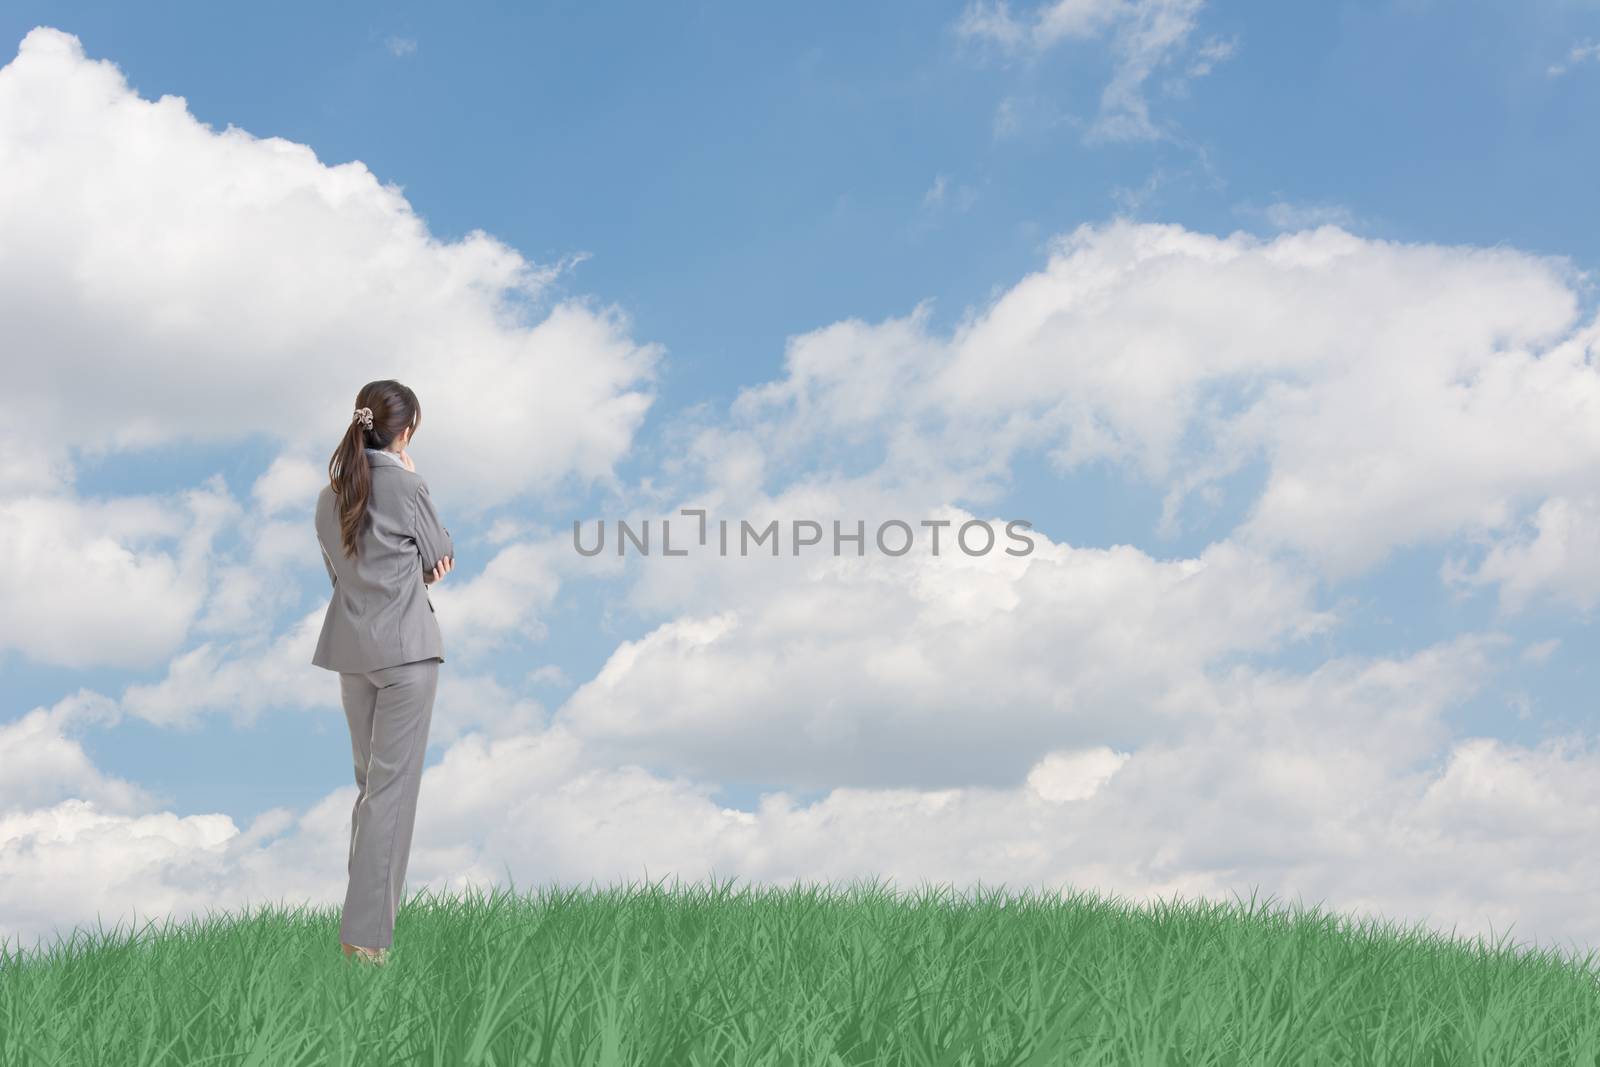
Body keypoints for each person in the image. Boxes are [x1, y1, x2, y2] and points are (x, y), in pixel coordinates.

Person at [311, 379, 455, 966]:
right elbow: (439, 553)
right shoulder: (408, 483)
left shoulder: (330, 496)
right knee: (391, 797)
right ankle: (365, 941)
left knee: (370, 792)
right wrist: (417, 572)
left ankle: (359, 928)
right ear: (407, 429)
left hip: (353, 654)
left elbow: (343, 573)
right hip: (406, 655)